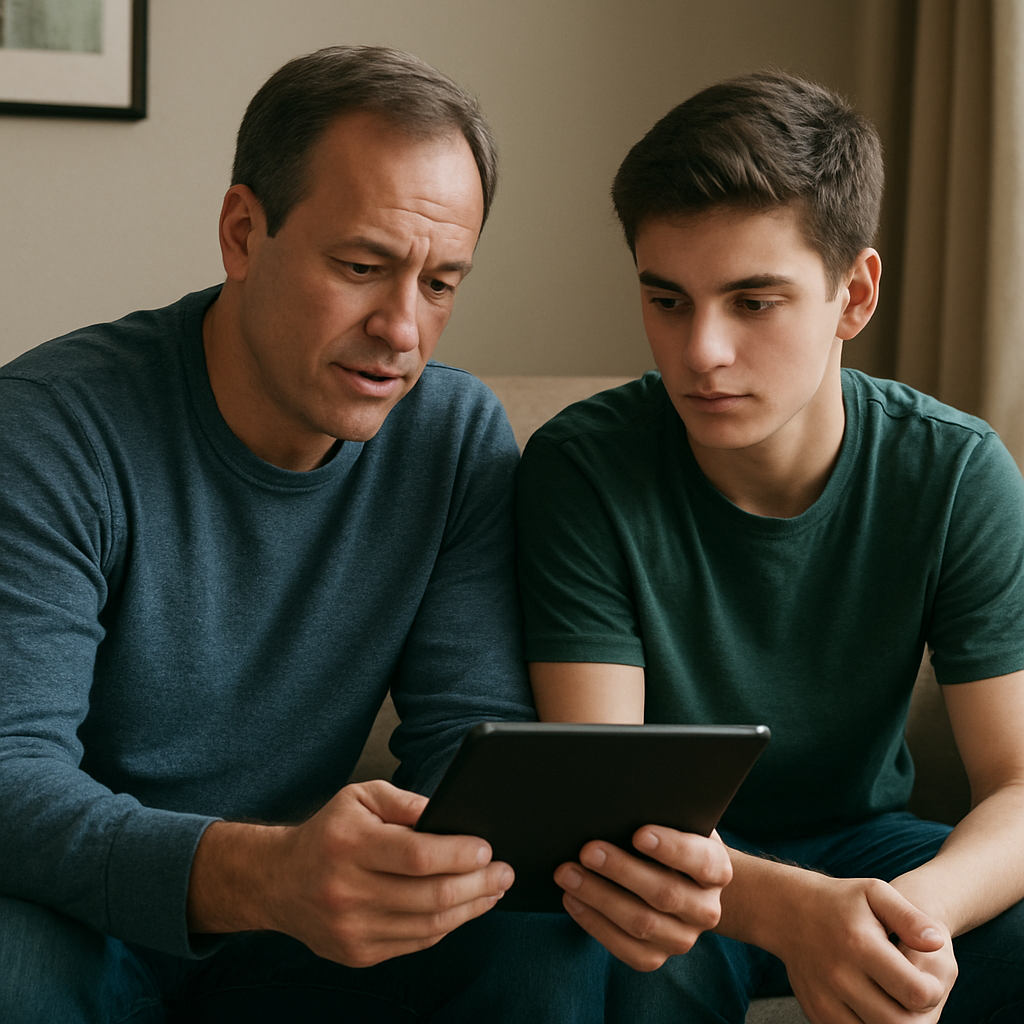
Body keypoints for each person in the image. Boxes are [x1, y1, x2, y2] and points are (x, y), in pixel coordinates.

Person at [0, 45, 616, 1023]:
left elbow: (466, 741)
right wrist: (262, 873)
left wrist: (434, 855)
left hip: (311, 942)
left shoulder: (454, 438)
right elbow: (10, 781)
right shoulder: (50, 427)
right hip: (89, 920)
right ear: (243, 232)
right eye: (363, 267)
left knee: (545, 944)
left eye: (442, 283)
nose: (403, 329)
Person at [516, 71, 1024, 1023]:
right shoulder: (582, 471)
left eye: (754, 302)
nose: (701, 351)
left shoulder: (955, 473)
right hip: (669, 854)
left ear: (854, 295)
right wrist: (795, 916)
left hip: (875, 849)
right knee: (575, 961)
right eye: (668, 301)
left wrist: (899, 921)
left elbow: (1021, 785)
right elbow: (604, 800)